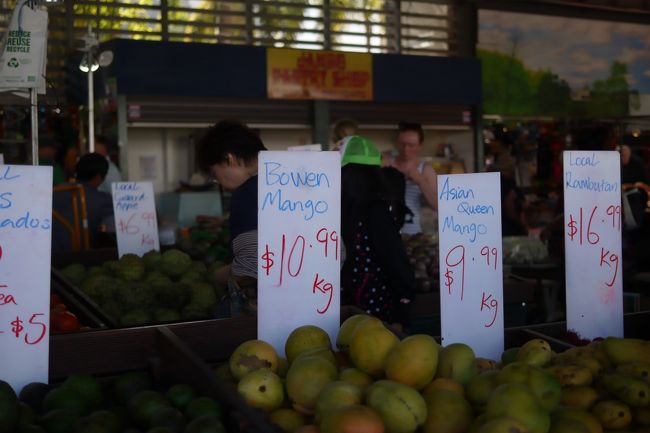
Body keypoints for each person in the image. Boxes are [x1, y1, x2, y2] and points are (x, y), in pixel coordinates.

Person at [340, 136, 415, 326]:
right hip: (373, 305)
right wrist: (405, 298)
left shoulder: (336, 208)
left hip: (344, 302)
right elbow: (393, 257)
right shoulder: (375, 208)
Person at [197, 120, 266, 304]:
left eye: (214, 174)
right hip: (319, 300)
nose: (217, 181)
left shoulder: (245, 194)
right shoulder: (298, 179)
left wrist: (215, 277)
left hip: (270, 310)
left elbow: (251, 267)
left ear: (229, 159)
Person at [382, 121, 437, 235]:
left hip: (413, 232)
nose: (406, 149)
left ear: (420, 146)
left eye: (411, 145)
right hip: (385, 230)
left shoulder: (426, 170)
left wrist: (421, 182)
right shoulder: (386, 164)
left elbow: (437, 206)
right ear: (397, 143)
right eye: (402, 144)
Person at [52, 153, 115, 252]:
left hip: (49, 257)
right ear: (99, 176)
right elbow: (113, 228)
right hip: (80, 258)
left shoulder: (55, 191)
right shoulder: (103, 200)